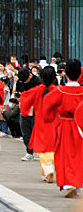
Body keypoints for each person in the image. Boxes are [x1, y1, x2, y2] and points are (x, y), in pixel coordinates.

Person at [44, 59, 83, 198]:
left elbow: (47, 104)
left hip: (66, 125)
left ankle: (69, 184)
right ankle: (77, 184)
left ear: (65, 74)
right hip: (80, 127)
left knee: (65, 155)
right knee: (79, 156)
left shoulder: (60, 90)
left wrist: (49, 118)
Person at [20, 66, 57, 183]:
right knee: (53, 146)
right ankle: (51, 167)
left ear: (41, 77)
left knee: (43, 148)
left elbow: (24, 99)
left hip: (41, 122)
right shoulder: (58, 90)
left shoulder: (37, 90)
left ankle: (47, 170)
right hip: (55, 122)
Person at [15, 68, 41, 161]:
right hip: (24, 108)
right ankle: (29, 152)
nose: (24, 83)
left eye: (26, 81)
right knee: (25, 131)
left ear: (30, 75)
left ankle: (37, 151)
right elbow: (17, 92)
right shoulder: (21, 80)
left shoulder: (37, 82)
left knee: (35, 130)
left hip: (35, 109)